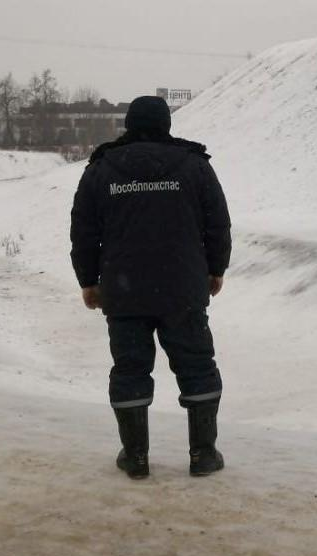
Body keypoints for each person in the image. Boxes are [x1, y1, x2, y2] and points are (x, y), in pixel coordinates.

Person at [69, 95, 231, 479]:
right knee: (197, 367)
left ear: (128, 123)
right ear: (166, 125)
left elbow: (84, 232)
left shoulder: (101, 169)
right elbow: (217, 225)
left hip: (125, 292)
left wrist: (88, 281)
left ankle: (136, 457)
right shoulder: (195, 166)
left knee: (130, 370)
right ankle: (204, 455)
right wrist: (215, 269)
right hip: (183, 289)